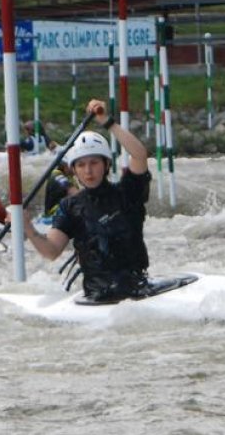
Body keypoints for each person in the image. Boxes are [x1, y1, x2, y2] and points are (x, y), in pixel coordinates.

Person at [24, 99, 151, 303]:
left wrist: (107, 121)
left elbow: (139, 155)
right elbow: (52, 251)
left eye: (94, 163)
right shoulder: (70, 207)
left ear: (106, 164)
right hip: (96, 296)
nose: (88, 171)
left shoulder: (128, 192)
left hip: (138, 290)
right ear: (74, 169)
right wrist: (27, 227)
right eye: (81, 165)